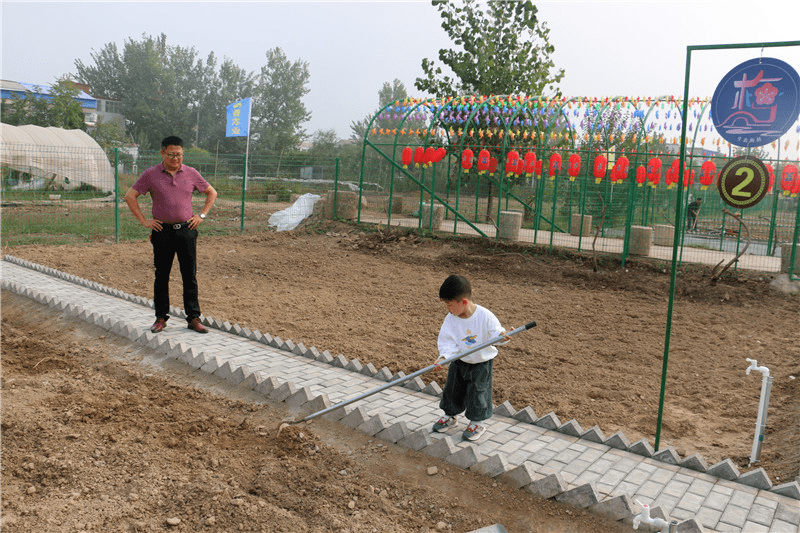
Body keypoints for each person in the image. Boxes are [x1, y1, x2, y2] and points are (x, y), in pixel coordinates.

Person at [124, 136, 217, 334]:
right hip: (162, 231)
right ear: (162, 153)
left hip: (186, 230)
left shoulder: (191, 173)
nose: (176, 158)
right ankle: (160, 318)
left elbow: (212, 193)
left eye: (179, 155)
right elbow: (130, 196)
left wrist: (201, 215)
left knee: (189, 275)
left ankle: (193, 318)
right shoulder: (151, 174)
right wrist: (144, 221)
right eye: (171, 154)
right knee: (161, 275)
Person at [432, 275, 507, 441]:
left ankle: (476, 422)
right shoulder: (451, 319)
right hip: (460, 361)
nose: (448, 309)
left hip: (481, 363)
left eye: (450, 305)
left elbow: (496, 333)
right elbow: (447, 340)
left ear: (463, 302)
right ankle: (450, 416)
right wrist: (444, 357)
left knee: (478, 393)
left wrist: (502, 336)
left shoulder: (485, 316)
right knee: (452, 390)